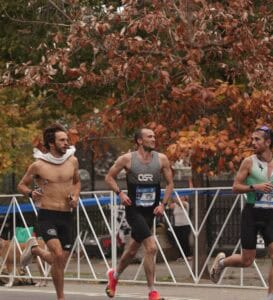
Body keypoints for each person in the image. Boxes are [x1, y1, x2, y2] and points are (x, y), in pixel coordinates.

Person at [105, 128, 174, 300]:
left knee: (131, 251)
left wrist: (163, 205)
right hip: (133, 210)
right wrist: (120, 193)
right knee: (151, 247)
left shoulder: (162, 159)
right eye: (149, 136)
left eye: (154, 136)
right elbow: (109, 177)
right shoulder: (127, 159)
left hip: (150, 211)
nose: (154, 139)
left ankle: (114, 277)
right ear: (139, 141)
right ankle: (152, 292)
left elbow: (170, 183)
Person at [17, 123, 81, 300]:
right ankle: (61, 297)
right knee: (58, 255)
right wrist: (31, 193)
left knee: (59, 261)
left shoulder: (73, 161)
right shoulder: (38, 165)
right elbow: (21, 185)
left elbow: (77, 183)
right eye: (62, 140)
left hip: (67, 215)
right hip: (48, 215)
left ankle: (36, 250)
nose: (66, 143)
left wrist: (75, 197)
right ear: (51, 144)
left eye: (67, 139)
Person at [210, 126, 273, 300]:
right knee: (247, 260)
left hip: (271, 214)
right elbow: (235, 187)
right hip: (252, 213)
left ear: (268, 142)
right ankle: (222, 263)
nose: (253, 143)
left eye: (257, 139)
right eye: (252, 139)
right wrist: (255, 187)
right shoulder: (249, 162)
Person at [169, 179, 193, 262]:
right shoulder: (175, 205)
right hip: (177, 225)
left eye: (181, 196)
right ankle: (181, 256)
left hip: (185, 225)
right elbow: (170, 205)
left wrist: (171, 191)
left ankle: (188, 255)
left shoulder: (186, 204)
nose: (179, 197)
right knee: (179, 241)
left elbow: (178, 201)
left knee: (185, 240)